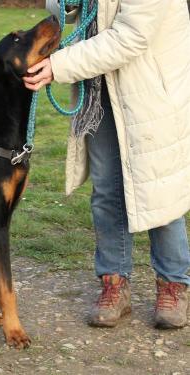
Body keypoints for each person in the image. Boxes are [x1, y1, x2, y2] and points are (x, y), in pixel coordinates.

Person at [24, 0, 190, 328]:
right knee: (106, 191)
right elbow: (64, 11)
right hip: (100, 91)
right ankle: (114, 284)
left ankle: (173, 284)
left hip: (148, 94)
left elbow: (129, 36)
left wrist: (58, 66)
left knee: (158, 189)